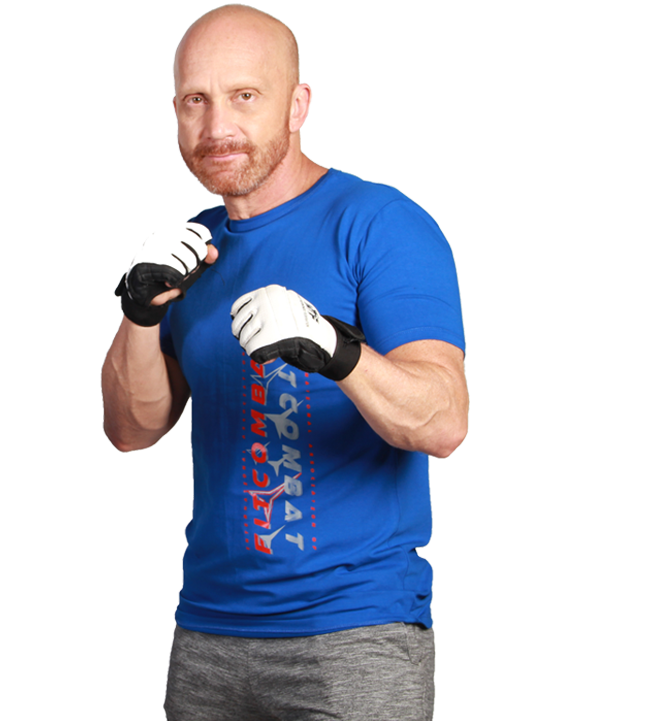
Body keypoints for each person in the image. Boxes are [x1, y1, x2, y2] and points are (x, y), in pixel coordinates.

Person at [102, 6, 469, 721]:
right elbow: (131, 429)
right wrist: (139, 316)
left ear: (298, 105)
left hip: (353, 629)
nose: (217, 126)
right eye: (195, 100)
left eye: (245, 96)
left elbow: (444, 420)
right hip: (208, 628)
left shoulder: (379, 224)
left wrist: (337, 351)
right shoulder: (193, 248)